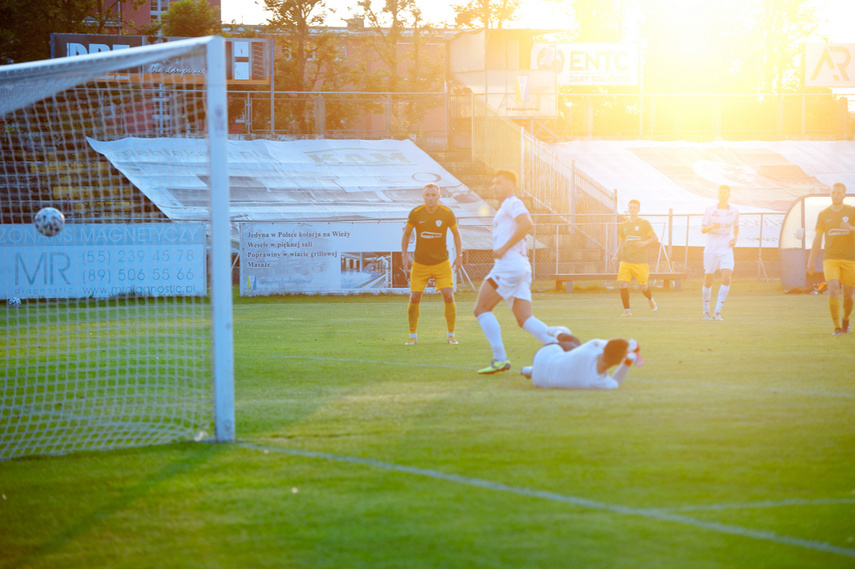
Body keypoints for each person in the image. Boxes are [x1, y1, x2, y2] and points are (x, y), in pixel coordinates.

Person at [473, 170, 556, 374]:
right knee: (524, 319)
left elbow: (527, 223)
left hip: (508, 266)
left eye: (499, 183)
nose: (494, 186)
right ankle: (561, 346)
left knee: (481, 309)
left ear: (511, 185)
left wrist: (503, 248)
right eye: (493, 183)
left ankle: (500, 358)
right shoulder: (506, 206)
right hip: (519, 266)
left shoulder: (512, 202)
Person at [401, 183, 463, 345]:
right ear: (423, 196)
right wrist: (404, 256)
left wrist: (459, 255)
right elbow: (406, 235)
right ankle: (412, 336)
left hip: (442, 263)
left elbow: (456, 234)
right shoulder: (415, 213)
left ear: (439, 196)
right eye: (427, 195)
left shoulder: (447, 213)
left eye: (433, 195)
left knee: (449, 296)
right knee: (414, 297)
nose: (430, 198)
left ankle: (451, 335)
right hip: (420, 264)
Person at [520, 327, 642, 390]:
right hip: (539, 380)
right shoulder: (598, 383)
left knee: (575, 343)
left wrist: (630, 345)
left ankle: (559, 332)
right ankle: (530, 370)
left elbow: (612, 344)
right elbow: (616, 382)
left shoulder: (593, 346)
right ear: (617, 362)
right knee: (573, 350)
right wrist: (628, 360)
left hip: (543, 356)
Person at [806, 182, 855, 335]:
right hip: (830, 259)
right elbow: (818, 238)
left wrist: (851, 228)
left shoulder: (852, 212)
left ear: (844, 195)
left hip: (849, 259)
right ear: (831, 194)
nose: (836, 195)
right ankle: (837, 328)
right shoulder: (823, 214)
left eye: (839, 193)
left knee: (848, 296)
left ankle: (845, 321)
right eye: (833, 192)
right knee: (833, 289)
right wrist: (811, 259)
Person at [611, 199, 659, 317]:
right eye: (630, 207)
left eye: (634, 208)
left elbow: (655, 238)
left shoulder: (644, 223)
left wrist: (644, 243)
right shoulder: (623, 225)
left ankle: (650, 299)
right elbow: (622, 241)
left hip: (640, 261)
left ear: (638, 209)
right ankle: (627, 311)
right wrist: (616, 255)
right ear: (628, 209)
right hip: (626, 260)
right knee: (622, 284)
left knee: (643, 286)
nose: (632, 210)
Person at [701, 185, 739, 321]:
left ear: (729, 194)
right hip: (711, 248)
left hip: (726, 249)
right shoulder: (710, 210)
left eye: (725, 193)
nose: (722, 195)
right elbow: (703, 229)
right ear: (717, 194)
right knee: (708, 279)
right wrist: (712, 226)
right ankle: (706, 310)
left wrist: (734, 239)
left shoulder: (734, 211)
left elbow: (736, 227)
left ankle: (717, 311)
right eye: (720, 193)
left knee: (727, 277)